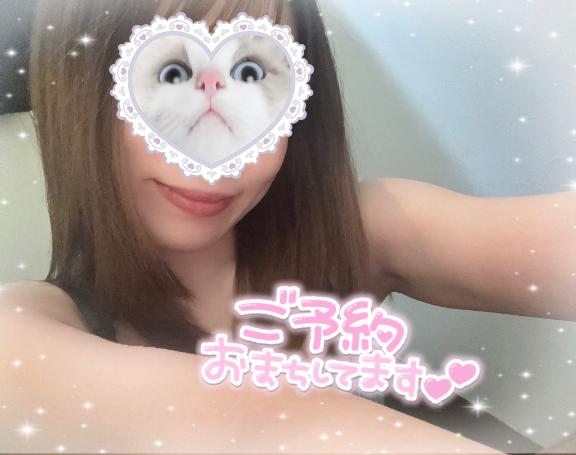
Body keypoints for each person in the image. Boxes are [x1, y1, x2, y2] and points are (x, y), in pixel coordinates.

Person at [0, 0, 573, 452]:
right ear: (78, 93)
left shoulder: (362, 229)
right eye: (167, 74)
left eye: (252, 76)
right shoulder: (22, 336)